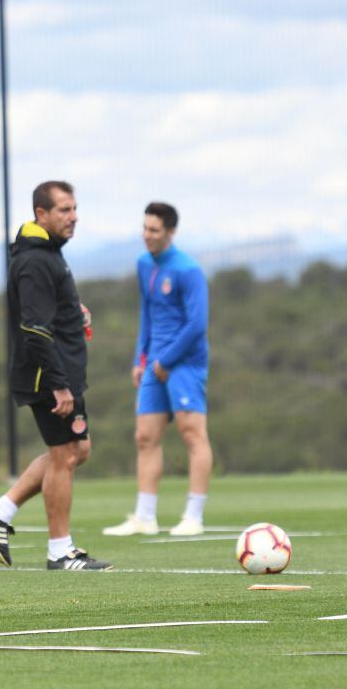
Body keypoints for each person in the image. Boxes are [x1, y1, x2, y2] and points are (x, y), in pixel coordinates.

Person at [0, 181, 112, 572]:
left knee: (75, 450)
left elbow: (47, 310)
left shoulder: (47, 254)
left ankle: (0, 510)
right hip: (48, 378)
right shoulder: (35, 260)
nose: (73, 217)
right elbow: (34, 328)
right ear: (42, 214)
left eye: (74, 209)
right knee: (65, 455)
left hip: (60, 373)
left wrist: (74, 311)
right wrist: (58, 383)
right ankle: (60, 551)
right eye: (64, 210)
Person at [103, 202, 212, 537]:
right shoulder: (143, 264)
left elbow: (197, 324)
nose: (146, 235)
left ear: (170, 233)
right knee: (145, 436)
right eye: (145, 228)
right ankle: (145, 517)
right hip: (155, 363)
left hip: (184, 363)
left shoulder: (188, 269)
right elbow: (147, 315)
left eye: (153, 230)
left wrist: (166, 361)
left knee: (192, 434)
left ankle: (193, 516)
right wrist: (142, 360)